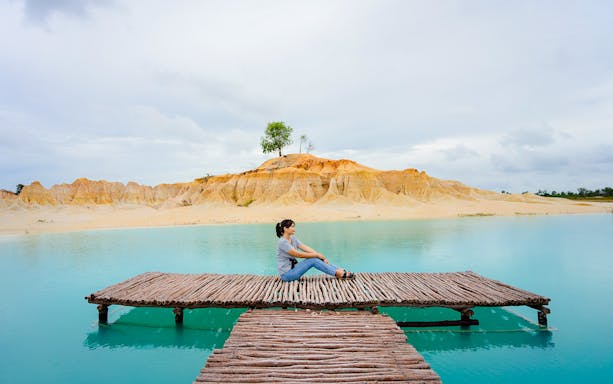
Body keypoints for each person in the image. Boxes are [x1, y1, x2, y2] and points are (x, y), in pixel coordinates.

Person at [276, 219, 355, 282]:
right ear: (285, 228)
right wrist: (316, 255)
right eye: (292, 227)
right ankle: (339, 273)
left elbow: (304, 247)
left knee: (315, 258)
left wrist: (320, 256)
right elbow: (298, 255)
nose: (294, 229)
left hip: (293, 269)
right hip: (287, 275)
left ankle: (338, 270)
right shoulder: (282, 242)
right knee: (313, 260)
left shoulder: (292, 238)